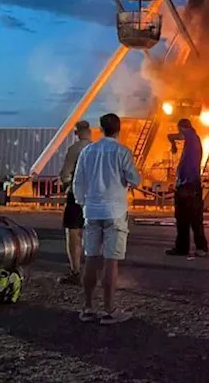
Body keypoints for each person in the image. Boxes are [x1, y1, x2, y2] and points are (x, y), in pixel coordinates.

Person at [72, 113, 140, 325]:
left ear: (100, 129)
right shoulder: (122, 152)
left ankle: (88, 307)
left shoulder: (87, 151)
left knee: (91, 259)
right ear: (118, 129)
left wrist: (84, 203)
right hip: (115, 212)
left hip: (91, 211)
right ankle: (110, 310)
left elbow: (78, 182)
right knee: (111, 261)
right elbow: (135, 180)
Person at [167, 118, 208, 257]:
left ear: (182, 128)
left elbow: (179, 135)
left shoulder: (191, 137)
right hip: (188, 184)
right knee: (186, 219)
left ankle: (191, 248)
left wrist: (172, 140)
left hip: (188, 185)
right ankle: (189, 248)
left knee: (189, 218)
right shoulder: (193, 141)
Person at [58, 121, 91, 285]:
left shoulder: (75, 149)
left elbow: (65, 173)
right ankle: (93, 272)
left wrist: (65, 183)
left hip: (76, 196)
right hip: (95, 198)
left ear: (77, 133)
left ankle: (76, 271)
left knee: (73, 232)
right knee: (93, 234)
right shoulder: (97, 149)